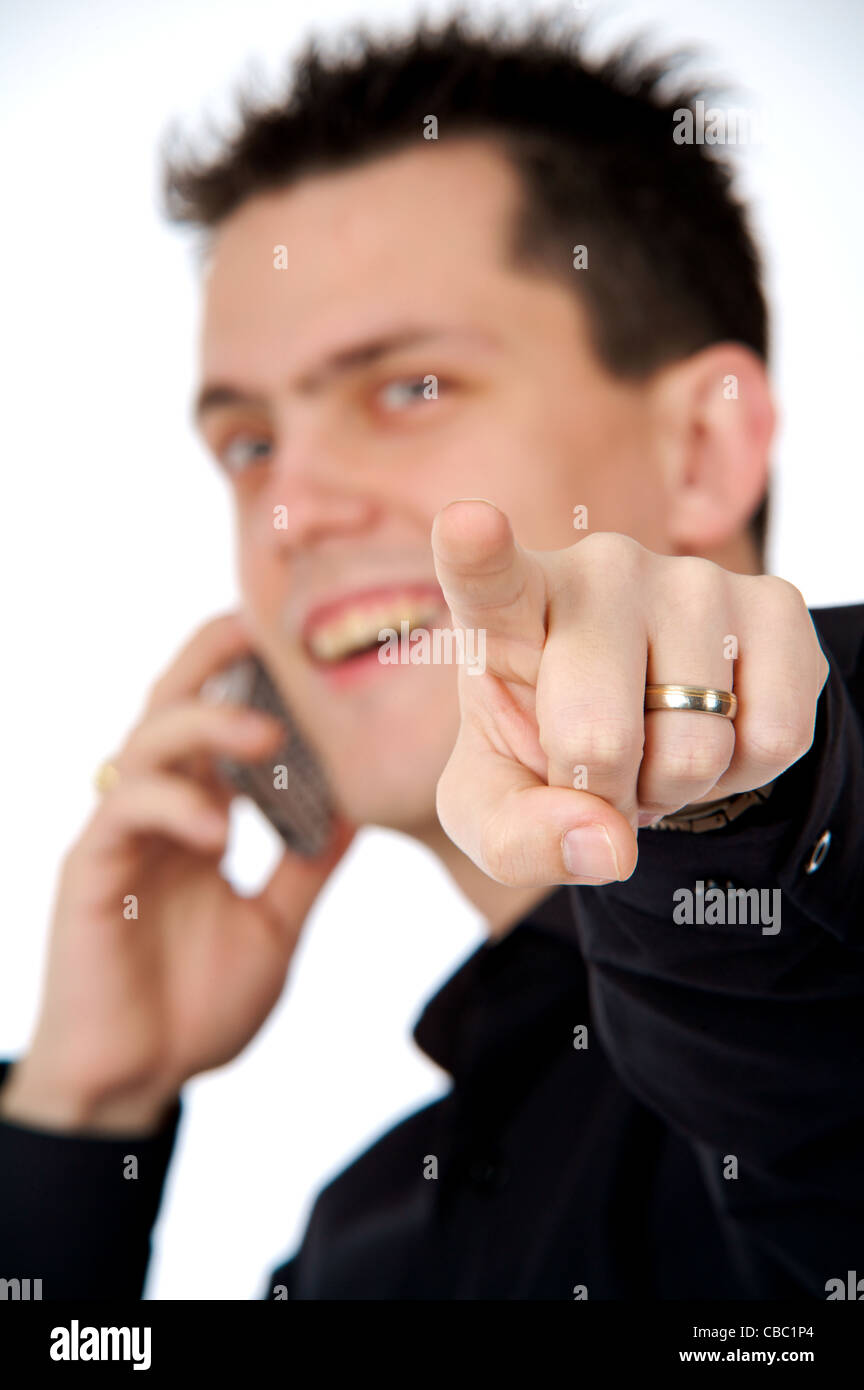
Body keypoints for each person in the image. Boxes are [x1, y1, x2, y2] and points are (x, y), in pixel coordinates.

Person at [1, 15, 861, 1301]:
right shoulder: (363, 1245)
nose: (295, 512)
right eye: (248, 446)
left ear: (703, 452)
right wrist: (80, 1116)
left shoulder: (820, 924)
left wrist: (731, 807)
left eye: (408, 389)